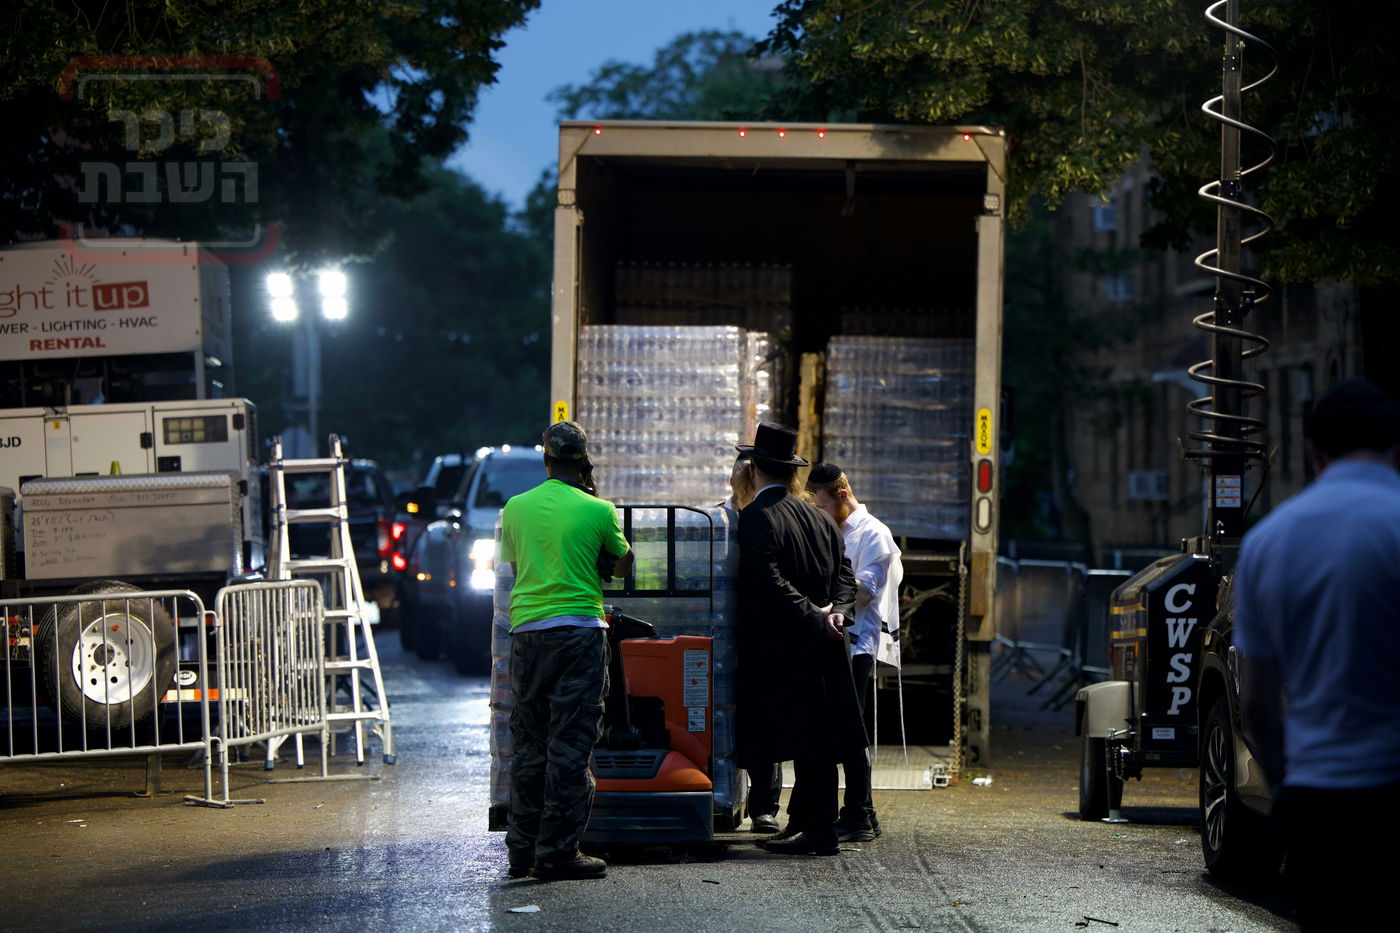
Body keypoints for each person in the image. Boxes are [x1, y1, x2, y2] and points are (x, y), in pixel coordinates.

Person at [1233, 379, 1400, 930]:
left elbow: (1256, 701)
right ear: (1395, 444)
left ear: (1312, 449)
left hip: (1319, 799)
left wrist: (1287, 788)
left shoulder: (1268, 541)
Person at [500, 421, 634, 881]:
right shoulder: (599, 509)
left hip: (528, 634)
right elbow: (621, 564)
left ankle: (522, 850)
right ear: (583, 460)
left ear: (545, 459)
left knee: (530, 742)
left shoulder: (515, 509)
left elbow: (519, 567)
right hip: (579, 632)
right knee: (571, 746)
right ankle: (558, 852)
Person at [733, 422, 865, 856]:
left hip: (785, 646)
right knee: (822, 736)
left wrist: (811, 616)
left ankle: (818, 830)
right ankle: (810, 822)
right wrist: (838, 615)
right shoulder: (821, 518)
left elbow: (766, 580)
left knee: (802, 737)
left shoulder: (756, 518)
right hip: (829, 642)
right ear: (792, 472)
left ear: (752, 469)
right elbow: (846, 578)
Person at [806, 462, 903, 843]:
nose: (820, 511)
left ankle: (859, 812)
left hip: (857, 641)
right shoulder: (836, 528)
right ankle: (863, 812)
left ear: (842, 495)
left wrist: (819, 605)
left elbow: (864, 591)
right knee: (842, 728)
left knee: (850, 729)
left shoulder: (873, 534)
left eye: (822, 503)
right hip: (837, 638)